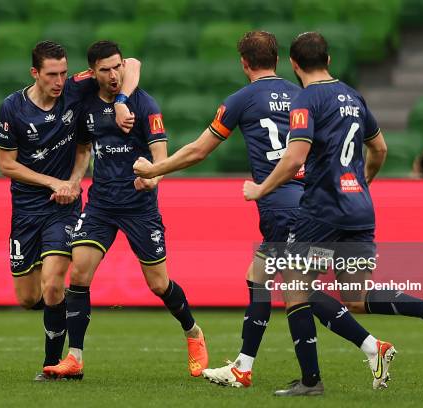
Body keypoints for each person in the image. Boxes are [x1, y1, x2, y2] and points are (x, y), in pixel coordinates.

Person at [133, 31, 390, 394]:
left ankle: (367, 349)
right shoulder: (303, 95)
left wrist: (154, 170)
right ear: (280, 60)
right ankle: (244, 366)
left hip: (280, 206)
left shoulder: (242, 99)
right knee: (259, 277)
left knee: (298, 292)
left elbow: (198, 151)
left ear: (244, 64)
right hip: (313, 199)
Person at [243, 32, 423, 395]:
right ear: (328, 60)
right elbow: (379, 147)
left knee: (295, 288)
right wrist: (361, 184)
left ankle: (311, 381)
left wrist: (260, 189)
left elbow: (295, 157)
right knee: (356, 298)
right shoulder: (352, 95)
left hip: (322, 210)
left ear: (294, 65)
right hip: (359, 208)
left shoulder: (306, 99)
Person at [43, 41, 208, 380]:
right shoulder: (85, 97)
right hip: (102, 203)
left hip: (139, 207)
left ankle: (193, 333)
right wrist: (77, 177)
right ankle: (75, 358)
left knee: (159, 284)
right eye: (105, 69)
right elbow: (83, 140)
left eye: (117, 67)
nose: (114, 74)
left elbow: (162, 157)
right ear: (94, 72)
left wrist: (154, 177)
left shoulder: (144, 104)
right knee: (79, 274)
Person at [0, 40, 140, 381]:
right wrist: (51, 182)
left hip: (64, 208)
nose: (59, 81)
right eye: (51, 75)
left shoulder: (75, 89)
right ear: (35, 73)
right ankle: (65, 314)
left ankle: (54, 366)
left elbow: (131, 63)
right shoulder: (12, 108)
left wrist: (74, 181)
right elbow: (6, 164)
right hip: (27, 209)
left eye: (63, 73)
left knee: (54, 284)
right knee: (29, 297)